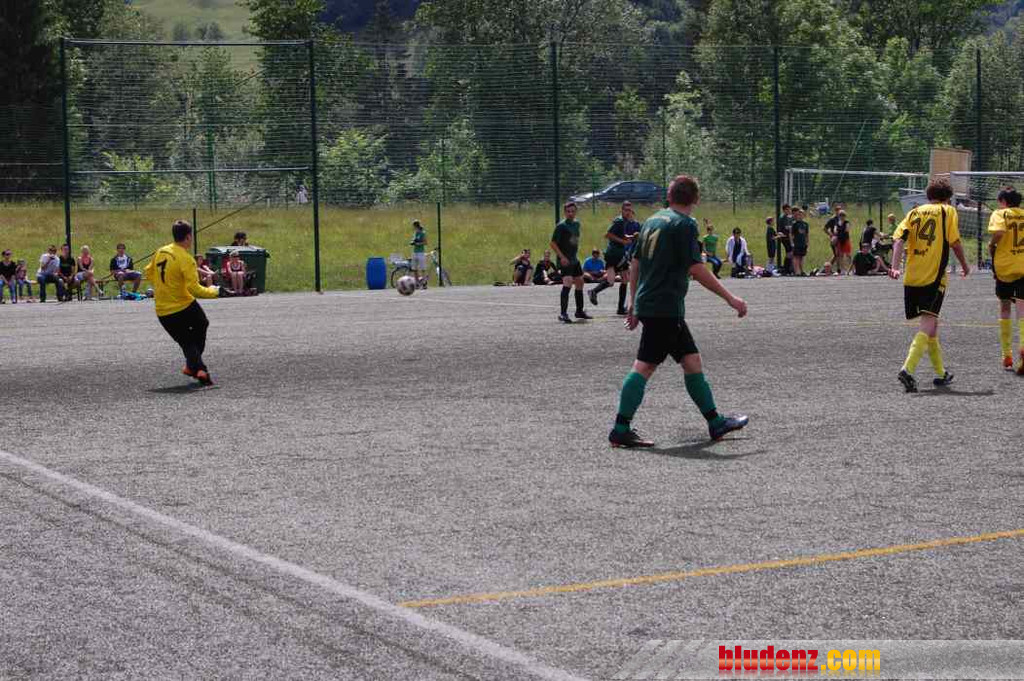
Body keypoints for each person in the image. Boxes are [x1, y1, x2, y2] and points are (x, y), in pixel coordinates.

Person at [608, 174, 749, 448]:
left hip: (654, 304)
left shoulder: (652, 220)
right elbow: (695, 268)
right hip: (664, 307)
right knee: (644, 366)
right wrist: (731, 299)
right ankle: (620, 429)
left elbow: (636, 263)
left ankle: (715, 422)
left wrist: (634, 302)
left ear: (669, 196)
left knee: (691, 360)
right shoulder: (685, 224)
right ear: (696, 199)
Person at [889, 177, 970, 392]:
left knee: (933, 325)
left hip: (912, 277)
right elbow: (955, 242)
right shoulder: (947, 211)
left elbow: (898, 240)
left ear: (928, 195)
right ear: (948, 198)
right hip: (933, 277)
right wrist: (965, 265)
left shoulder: (914, 212)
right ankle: (907, 369)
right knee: (927, 324)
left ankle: (941, 373)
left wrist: (895, 267)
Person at [144, 220, 220, 386]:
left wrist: (162, 286)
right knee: (201, 325)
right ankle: (197, 368)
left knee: (186, 340)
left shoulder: (161, 251)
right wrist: (214, 291)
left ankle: (195, 367)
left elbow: (148, 272)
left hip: (163, 310)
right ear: (188, 237)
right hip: (184, 305)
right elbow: (195, 289)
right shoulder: (186, 258)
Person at [987, 186, 1024, 373]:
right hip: (1023, 265)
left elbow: (1000, 232)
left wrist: (992, 243)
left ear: (1002, 201)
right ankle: (1023, 348)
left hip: (1005, 267)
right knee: (1022, 309)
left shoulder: (1000, 214)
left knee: (1005, 307)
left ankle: (1007, 354)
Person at [588, 201, 641, 314]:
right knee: (618, 280)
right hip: (614, 254)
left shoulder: (624, 221)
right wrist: (623, 241)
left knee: (619, 280)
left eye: (629, 210)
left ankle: (618, 306)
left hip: (617, 254)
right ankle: (595, 292)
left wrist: (630, 237)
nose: (628, 212)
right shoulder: (619, 221)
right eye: (626, 210)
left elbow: (619, 235)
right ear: (622, 210)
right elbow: (608, 235)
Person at [550, 201, 591, 323]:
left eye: (573, 211)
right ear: (564, 212)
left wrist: (573, 245)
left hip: (574, 259)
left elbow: (574, 238)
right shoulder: (561, 226)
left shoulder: (577, 224)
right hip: (565, 260)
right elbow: (553, 243)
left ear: (575, 212)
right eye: (568, 211)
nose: (570, 213)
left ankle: (579, 311)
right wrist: (562, 257)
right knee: (567, 282)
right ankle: (563, 314)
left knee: (580, 282)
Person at [791, 208, 810, 276]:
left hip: (803, 243)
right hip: (797, 243)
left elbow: (807, 234)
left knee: (802, 257)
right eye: (799, 215)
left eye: (802, 215)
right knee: (796, 257)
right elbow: (791, 234)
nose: (800, 216)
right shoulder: (795, 224)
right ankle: (797, 271)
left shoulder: (805, 224)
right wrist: (792, 243)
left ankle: (802, 270)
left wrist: (807, 243)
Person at [410, 220, 428, 289]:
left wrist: (418, 243)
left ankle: (424, 283)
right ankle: (417, 283)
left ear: (416, 226)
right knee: (414, 268)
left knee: (422, 268)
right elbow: (413, 240)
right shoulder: (415, 233)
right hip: (415, 252)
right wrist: (412, 242)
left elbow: (425, 242)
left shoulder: (422, 233)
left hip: (421, 252)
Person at [833, 210, 852, 274]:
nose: (842, 217)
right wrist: (838, 232)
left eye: (843, 215)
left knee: (848, 255)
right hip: (839, 240)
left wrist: (839, 231)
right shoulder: (837, 223)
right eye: (840, 215)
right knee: (840, 255)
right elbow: (835, 231)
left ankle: (852, 268)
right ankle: (843, 269)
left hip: (845, 239)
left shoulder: (847, 222)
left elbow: (847, 230)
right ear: (839, 216)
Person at [777, 204, 793, 271]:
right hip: (785, 237)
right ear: (784, 210)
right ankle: (786, 268)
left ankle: (788, 268)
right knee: (789, 252)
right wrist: (790, 227)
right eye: (787, 209)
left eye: (789, 209)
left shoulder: (788, 217)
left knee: (790, 252)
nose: (789, 211)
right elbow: (783, 228)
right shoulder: (782, 218)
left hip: (789, 237)